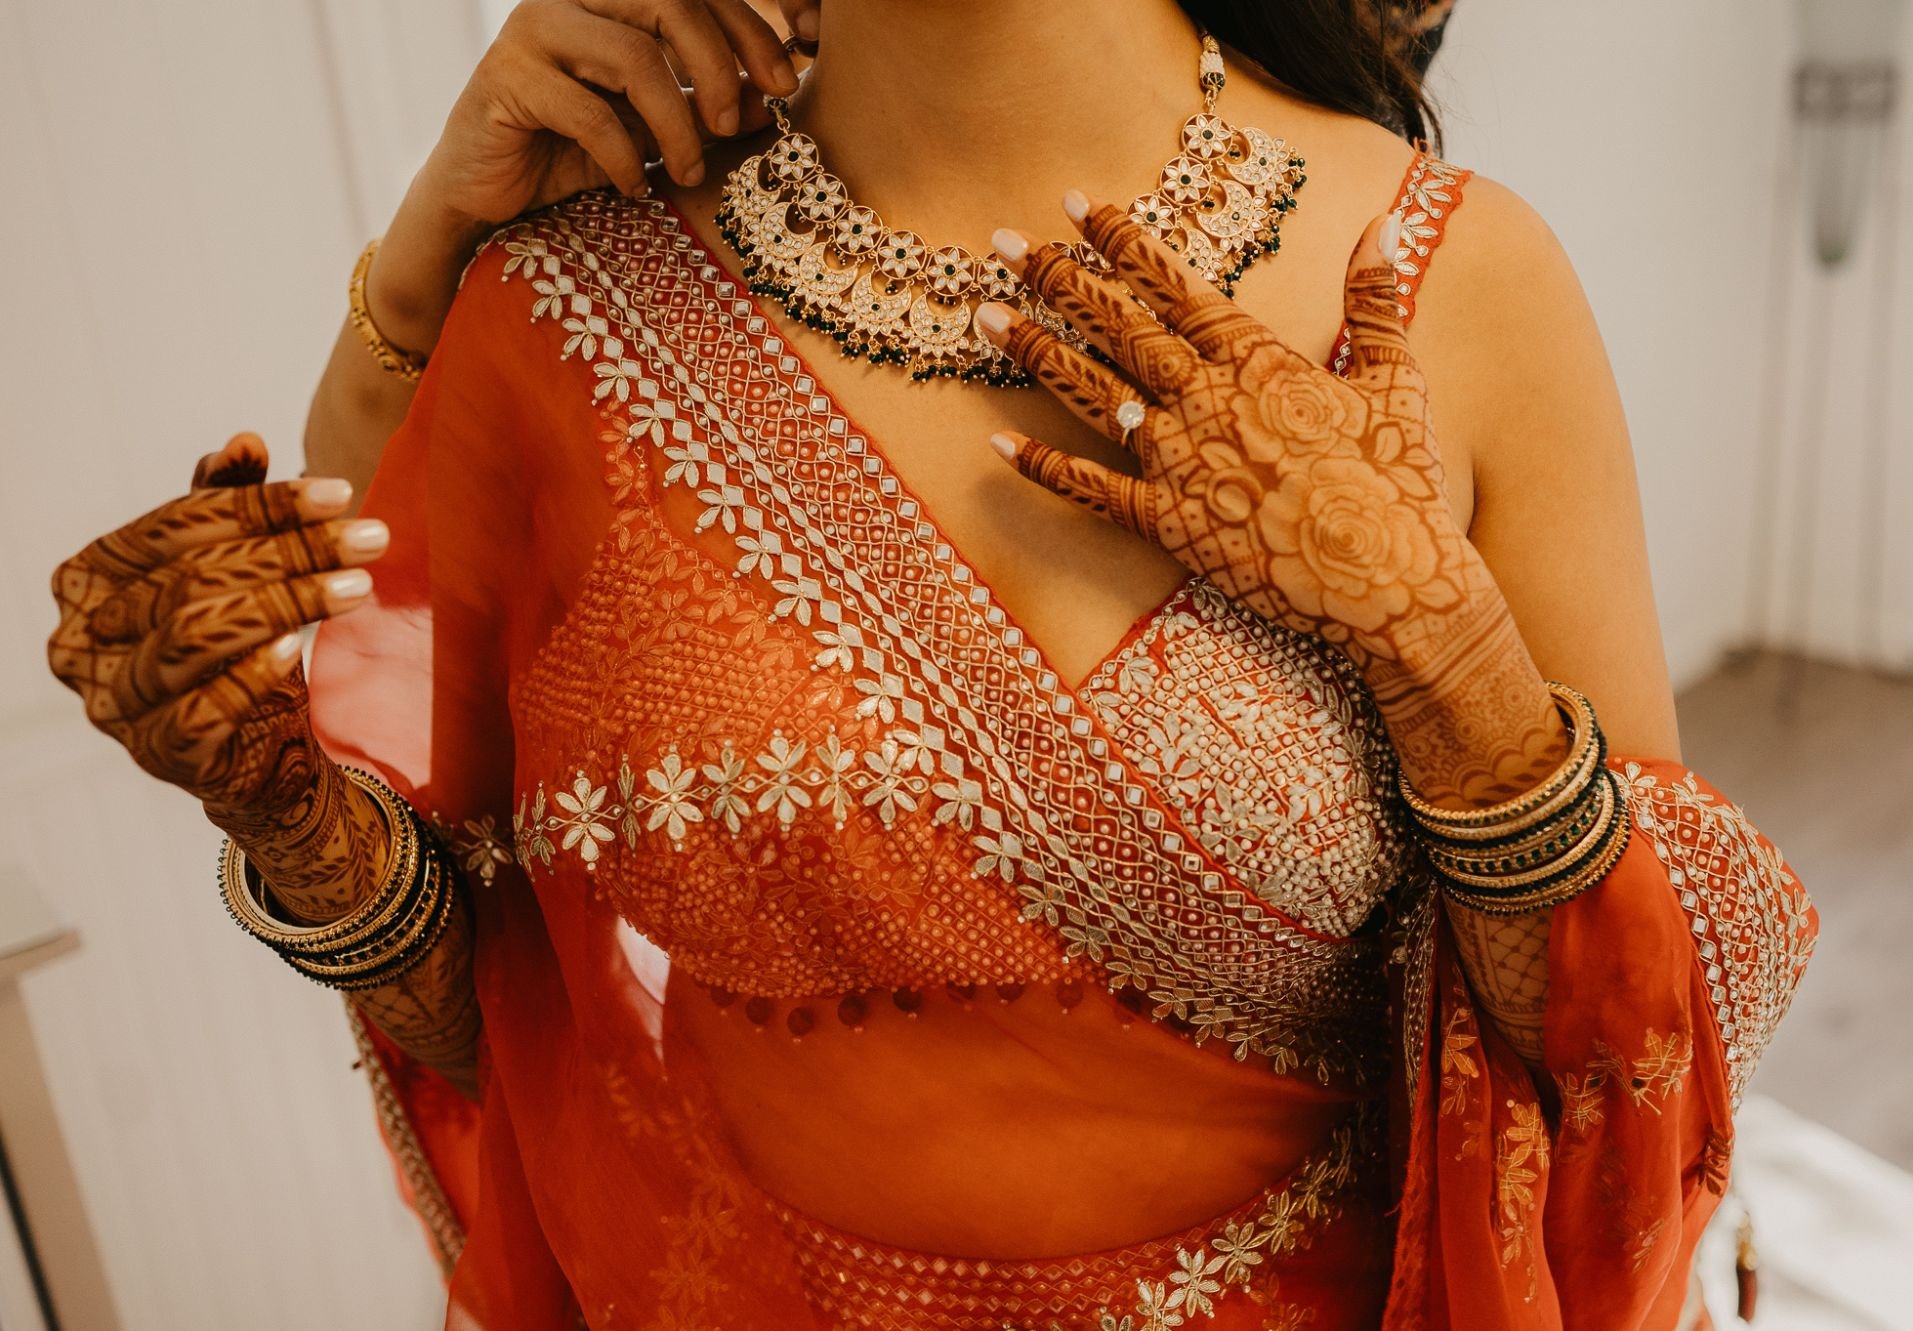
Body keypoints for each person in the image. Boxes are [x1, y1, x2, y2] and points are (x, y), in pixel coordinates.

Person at [44, 1, 1815, 1327]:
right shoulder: (557, 311)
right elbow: (506, 1018)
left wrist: (1445, 653)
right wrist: (284, 813)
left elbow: (1642, 1060)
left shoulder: (1454, 282)